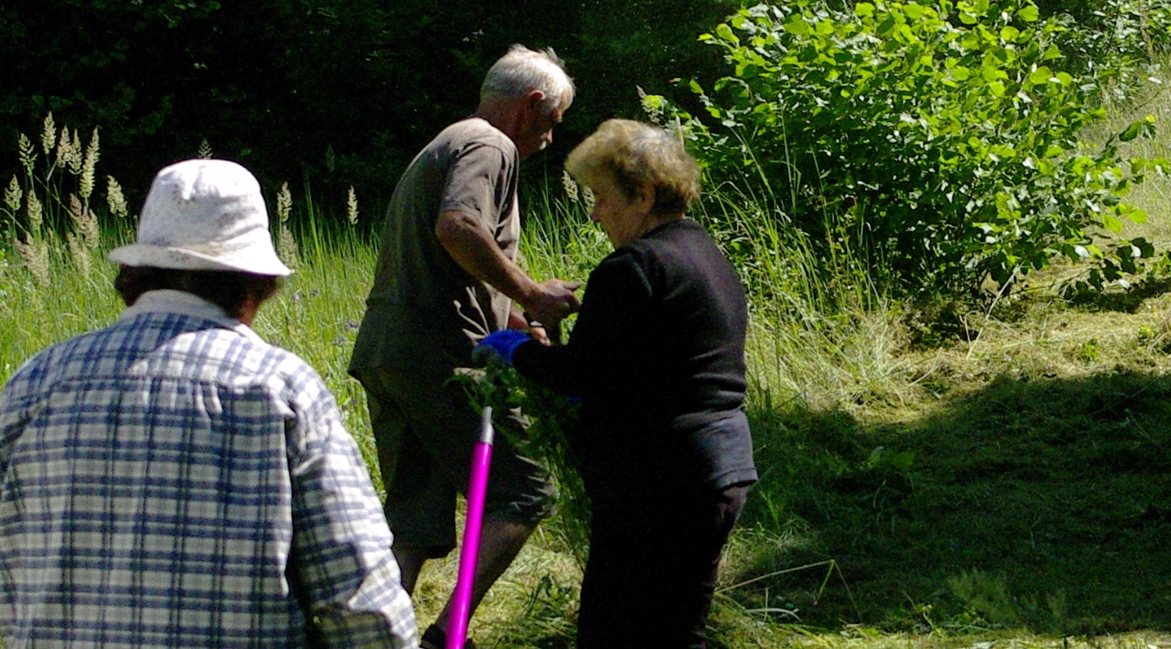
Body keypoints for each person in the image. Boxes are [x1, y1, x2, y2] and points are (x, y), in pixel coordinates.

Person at [0, 159, 415, 647]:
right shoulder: (278, 389)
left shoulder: (36, 380)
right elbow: (362, 601)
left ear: (136, 273)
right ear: (257, 285)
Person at [475, 118, 758, 649]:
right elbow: (635, 370)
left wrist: (518, 353)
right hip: (720, 467)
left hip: (659, 479)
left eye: (603, 197)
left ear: (644, 195)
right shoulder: (708, 256)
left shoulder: (635, 266)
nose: (596, 212)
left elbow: (581, 374)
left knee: (614, 630)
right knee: (677, 629)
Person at [349, 44, 582, 649]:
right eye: (552, 123)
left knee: (415, 515)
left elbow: (469, 255)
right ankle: (446, 634)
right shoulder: (490, 143)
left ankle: (382, 638)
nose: (551, 140)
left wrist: (521, 323)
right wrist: (533, 293)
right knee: (527, 490)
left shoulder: (451, 141)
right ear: (531, 106)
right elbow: (457, 228)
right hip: (439, 352)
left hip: (389, 350)